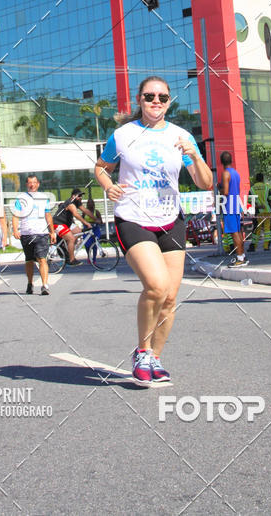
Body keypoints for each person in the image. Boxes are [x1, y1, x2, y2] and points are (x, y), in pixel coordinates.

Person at [95, 75, 212, 387]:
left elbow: (206, 182)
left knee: (171, 298)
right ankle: (142, 352)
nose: (155, 101)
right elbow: (100, 167)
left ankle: (154, 359)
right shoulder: (122, 135)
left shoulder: (181, 136)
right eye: (149, 97)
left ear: (169, 101)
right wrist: (108, 185)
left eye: (161, 97)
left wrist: (196, 155)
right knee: (157, 286)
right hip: (133, 218)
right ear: (140, 100)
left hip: (171, 220)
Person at [12, 174, 56, 295]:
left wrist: (52, 232)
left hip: (41, 233)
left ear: (38, 184)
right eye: (30, 183)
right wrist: (15, 229)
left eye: (34, 182)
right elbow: (16, 215)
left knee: (42, 259)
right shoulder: (20, 198)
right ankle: (30, 283)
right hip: (26, 233)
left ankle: (45, 285)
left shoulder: (43, 198)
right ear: (26, 184)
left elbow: (48, 215)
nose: (32, 185)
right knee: (29, 260)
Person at [220, 151, 248, 267]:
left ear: (221, 162)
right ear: (231, 160)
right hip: (236, 204)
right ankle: (242, 256)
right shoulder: (236, 173)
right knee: (238, 232)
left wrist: (219, 187)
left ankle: (240, 258)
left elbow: (225, 192)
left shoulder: (225, 173)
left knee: (234, 233)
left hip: (229, 206)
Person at [52, 188, 92, 265]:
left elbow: (85, 210)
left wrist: (95, 218)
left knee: (78, 231)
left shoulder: (77, 203)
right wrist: (86, 223)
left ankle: (67, 247)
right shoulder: (70, 203)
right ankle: (71, 259)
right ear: (73, 196)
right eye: (79, 195)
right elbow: (76, 214)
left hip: (66, 224)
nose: (81, 197)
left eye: (81, 196)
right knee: (71, 239)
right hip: (58, 223)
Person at [249, 172, 271, 252]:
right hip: (267, 211)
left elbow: (250, 201)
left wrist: (257, 206)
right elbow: (270, 201)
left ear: (256, 179)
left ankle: (253, 246)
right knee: (267, 229)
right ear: (263, 179)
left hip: (258, 212)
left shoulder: (252, 189)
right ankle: (266, 246)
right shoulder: (267, 188)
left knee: (257, 229)